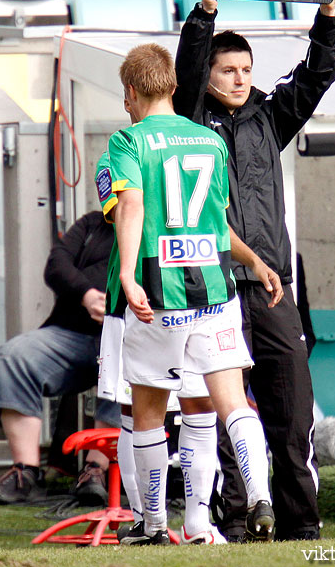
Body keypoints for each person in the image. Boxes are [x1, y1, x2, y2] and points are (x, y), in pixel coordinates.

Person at [173, 0, 335, 541]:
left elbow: (318, 75)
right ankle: (240, 521)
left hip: (273, 285)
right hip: (215, 287)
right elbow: (187, 74)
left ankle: (302, 523)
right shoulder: (192, 118)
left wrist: (326, 16)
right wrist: (203, 15)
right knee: (227, 412)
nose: (240, 79)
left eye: (246, 70)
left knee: (292, 407)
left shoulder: (270, 117)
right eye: (228, 70)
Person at [107, 42, 279, 545]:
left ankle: (153, 524)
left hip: (160, 297)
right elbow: (217, 224)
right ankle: (258, 496)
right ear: (176, 87)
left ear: (131, 92)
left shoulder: (128, 142)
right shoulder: (210, 140)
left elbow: (131, 206)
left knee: (148, 413)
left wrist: (128, 277)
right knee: (234, 404)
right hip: (216, 293)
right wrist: (254, 261)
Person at [0, 211, 120, 505]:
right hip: (73, 335)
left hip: (127, 338)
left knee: (129, 360)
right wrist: (86, 294)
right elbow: (56, 266)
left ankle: (96, 470)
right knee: (11, 357)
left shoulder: (159, 228)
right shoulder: (93, 224)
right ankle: (25, 473)